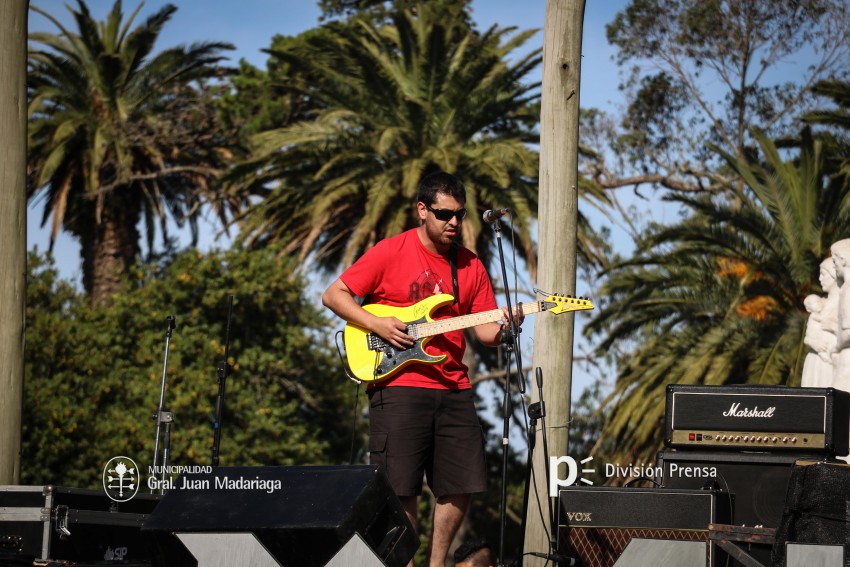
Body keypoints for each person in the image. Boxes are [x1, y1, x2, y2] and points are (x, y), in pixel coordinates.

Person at [322, 171, 521, 567]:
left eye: (460, 215)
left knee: (461, 483)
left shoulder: (470, 265)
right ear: (422, 210)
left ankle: (436, 564)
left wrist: (508, 325)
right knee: (400, 487)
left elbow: (484, 331)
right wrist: (377, 324)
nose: (453, 222)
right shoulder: (390, 251)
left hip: (453, 386)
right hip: (399, 383)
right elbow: (334, 295)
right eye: (445, 213)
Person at [800, 258, 840, 388]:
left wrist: (832, 326)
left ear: (834, 274)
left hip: (833, 360)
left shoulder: (844, 301)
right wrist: (814, 343)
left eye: (823, 274)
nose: (820, 278)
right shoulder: (819, 303)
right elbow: (808, 335)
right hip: (816, 359)